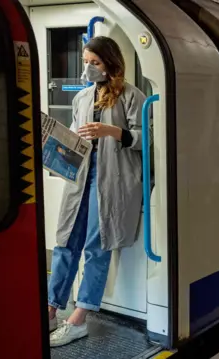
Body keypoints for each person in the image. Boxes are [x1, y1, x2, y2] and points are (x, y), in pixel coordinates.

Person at [47, 36, 148, 347]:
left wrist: (111, 132)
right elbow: (77, 139)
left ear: (110, 64)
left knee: (96, 246)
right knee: (65, 242)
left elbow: (147, 139)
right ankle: (50, 310)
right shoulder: (81, 98)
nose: (88, 68)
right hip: (80, 178)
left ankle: (79, 319)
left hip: (111, 181)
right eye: (86, 62)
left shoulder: (133, 96)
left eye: (95, 63)